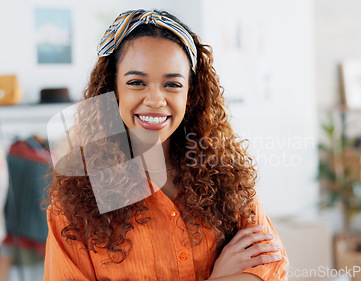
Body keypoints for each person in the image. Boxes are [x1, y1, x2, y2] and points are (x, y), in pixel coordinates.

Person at [44, 9, 288, 281]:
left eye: (172, 84)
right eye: (137, 82)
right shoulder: (75, 204)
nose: (156, 100)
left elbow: (270, 267)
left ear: (190, 93)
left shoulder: (228, 178)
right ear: (112, 89)